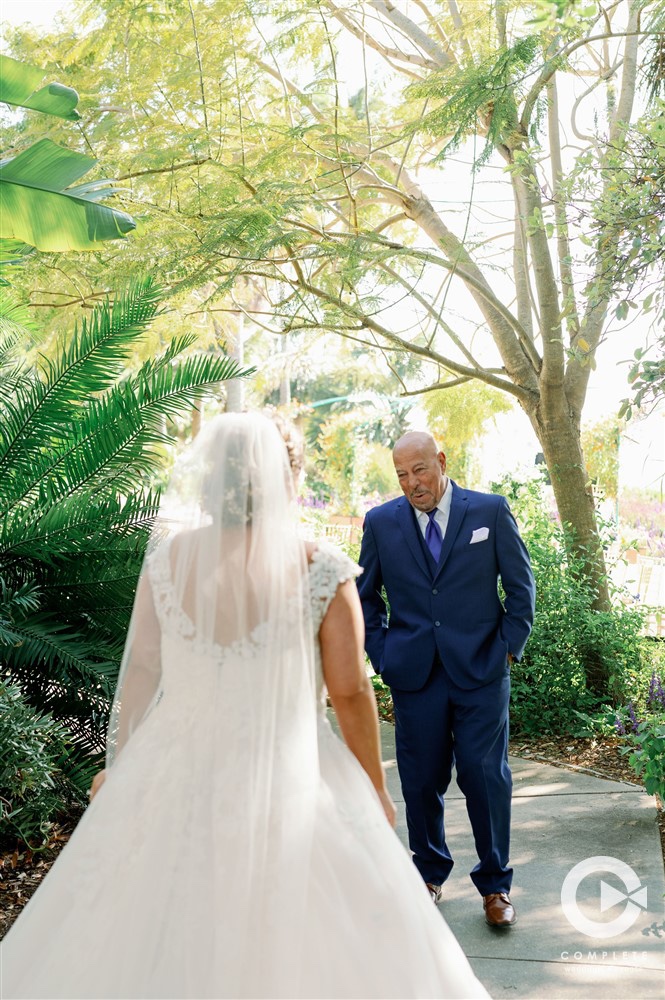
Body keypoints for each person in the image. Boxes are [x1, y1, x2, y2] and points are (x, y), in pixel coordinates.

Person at [1, 413, 489, 999]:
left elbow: (142, 673)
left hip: (170, 765)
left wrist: (120, 760)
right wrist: (374, 785)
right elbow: (351, 690)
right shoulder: (319, 567)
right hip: (289, 770)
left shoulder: (167, 560)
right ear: (286, 479)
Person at [357, 431, 535, 927]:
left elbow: (521, 588)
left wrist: (507, 649)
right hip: (414, 675)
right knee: (420, 780)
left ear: (441, 460)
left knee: (485, 778)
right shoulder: (381, 523)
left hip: (481, 671)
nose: (412, 484)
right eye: (402, 476)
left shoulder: (490, 512)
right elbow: (364, 597)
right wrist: (383, 653)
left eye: (419, 470)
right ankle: (428, 876)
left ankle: (495, 886)